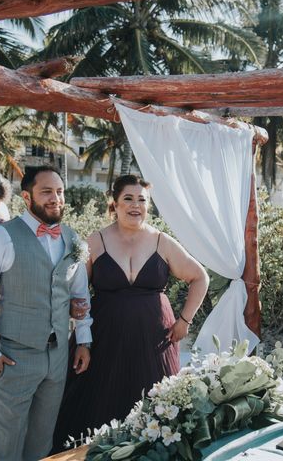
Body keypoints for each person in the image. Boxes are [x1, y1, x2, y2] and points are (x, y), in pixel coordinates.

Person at [52, 174, 209, 452]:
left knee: (153, 411)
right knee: (96, 410)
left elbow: (200, 277)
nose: (136, 205)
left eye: (142, 200)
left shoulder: (162, 242)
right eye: (128, 198)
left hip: (153, 342)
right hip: (104, 341)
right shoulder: (96, 241)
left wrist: (185, 320)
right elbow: (76, 292)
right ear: (114, 203)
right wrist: (80, 334)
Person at [0, 166, 93, 461]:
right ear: (26, 196)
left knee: (42, 442)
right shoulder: (0, 238)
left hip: (58, 357)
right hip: (14, 356)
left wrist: (83, 340)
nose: (55, 198)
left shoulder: (73, 240)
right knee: (5, 444)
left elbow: (80, 296)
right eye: (46, 191)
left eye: (59, 192)